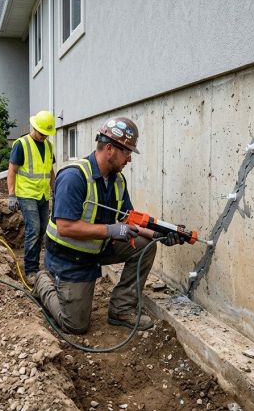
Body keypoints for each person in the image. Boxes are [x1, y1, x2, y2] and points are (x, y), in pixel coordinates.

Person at [33, 117, 185, 334]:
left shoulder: (118, 180)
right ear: (110, 149)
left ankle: (121, 309)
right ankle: (43, 282)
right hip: (69, 259)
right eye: (127, 153)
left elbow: (129, 219)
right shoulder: (74, 177)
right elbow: (65, 227)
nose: (129, 159)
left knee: (145, 244)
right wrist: (110, 230)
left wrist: (161, 233)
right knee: (74, 325)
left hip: (98, 249)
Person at [7, 110, 56, 286]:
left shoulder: (49, 146)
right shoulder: (21, 144)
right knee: (33, 230)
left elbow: (50, 170)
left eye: (46, 134)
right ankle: (31, 270)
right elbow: (12, 170)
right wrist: (11, 195)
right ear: (34, 127)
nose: (44, 137)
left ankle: (43, 265)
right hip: (26, 194)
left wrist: (55, 189)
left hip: (43, 194)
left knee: (44, 229)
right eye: (42, 133)